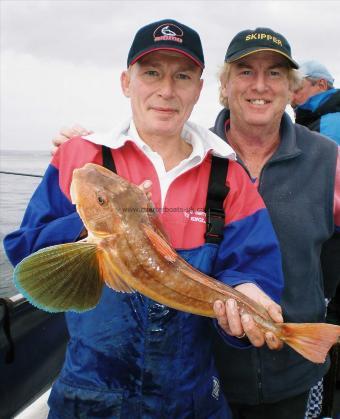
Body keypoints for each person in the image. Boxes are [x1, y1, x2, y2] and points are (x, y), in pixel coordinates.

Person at [3, 20, 285, 418]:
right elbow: (26, 252)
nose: (166, 91)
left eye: (182, 76)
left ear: (199, 88)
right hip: (88, 396)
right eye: (151, 72)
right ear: (126, 81)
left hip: (190, 399)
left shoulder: (228, 175)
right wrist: (93, 228)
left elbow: (253, 267)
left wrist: (249, 299)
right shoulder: (81, 157)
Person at [210, 27, 340, 419]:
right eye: (245, 71)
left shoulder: (328, 157)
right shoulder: (192, 154)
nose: (260, 85)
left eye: (276, 73)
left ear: (291, 89)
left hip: (298, 371)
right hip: (205, 374)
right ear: (225, 86)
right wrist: (78, 148)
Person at [291, 59, 340, 418]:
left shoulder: (328, 122)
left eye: (299, 84)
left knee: (328, 318)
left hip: (332, 239)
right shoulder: (312, 118)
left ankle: (321, 407)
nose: (293, 92)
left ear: (320, 85)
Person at [291, 60, 340, 145]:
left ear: (322, 85)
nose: (291, 98)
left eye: (297, 90)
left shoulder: (328, 127)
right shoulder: (315, 121)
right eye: (289, 91)